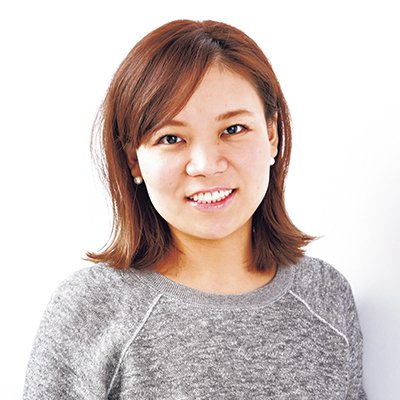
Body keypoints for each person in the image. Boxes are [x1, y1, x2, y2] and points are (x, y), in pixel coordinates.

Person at [24, 19, 366, 399]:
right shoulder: (91, 309)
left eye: (233, 129)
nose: (206, 164)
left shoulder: (326, 296)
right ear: (134, 160)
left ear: (271, 135)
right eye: (171, 138)